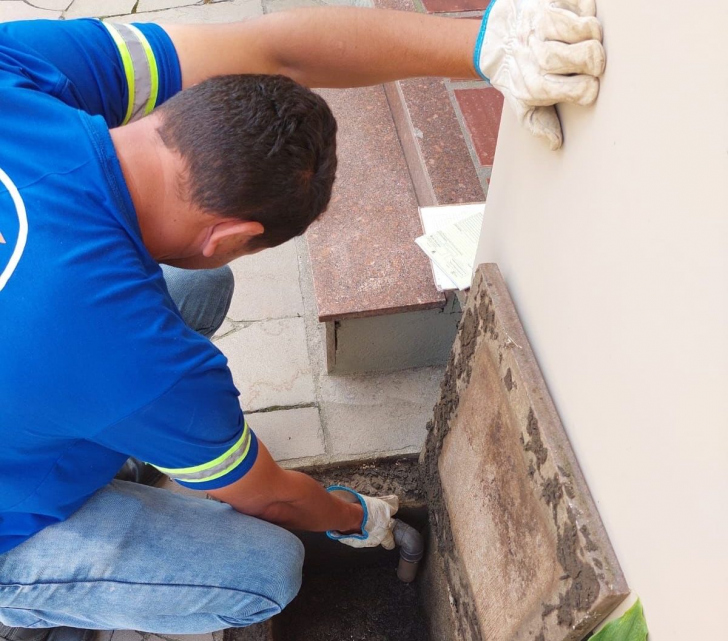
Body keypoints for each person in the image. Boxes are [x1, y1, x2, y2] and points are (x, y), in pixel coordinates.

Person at [0, 1, 605, 638]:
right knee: (266, 570)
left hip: (43, 365)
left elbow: (272, 45)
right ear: (230, 233)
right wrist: (357, 519)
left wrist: (483, 43)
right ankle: (34, 606)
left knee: (191, 291)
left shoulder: (17, 67)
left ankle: (83, 438)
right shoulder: (141, 360)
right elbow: (275, 498)